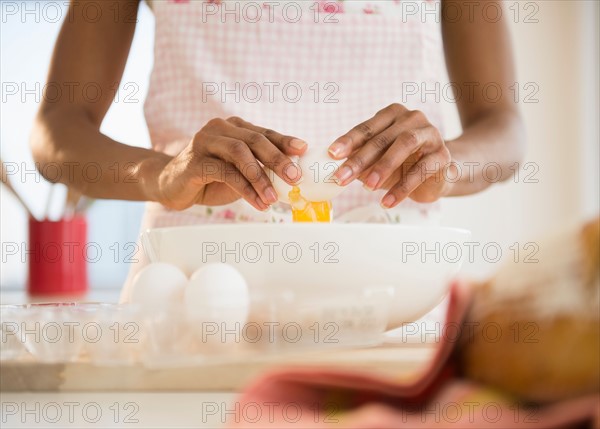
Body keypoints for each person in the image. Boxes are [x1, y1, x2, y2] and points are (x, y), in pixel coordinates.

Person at [30, 0, 524, 300]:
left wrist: (450, 165)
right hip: (189, 297)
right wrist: (159, 173)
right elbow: (56, 131)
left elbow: (503, 127)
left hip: (394, 298)